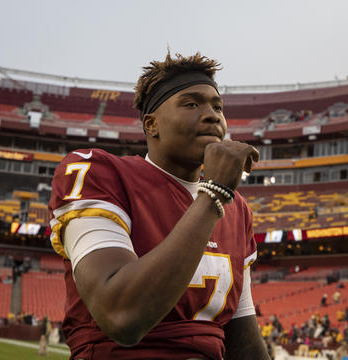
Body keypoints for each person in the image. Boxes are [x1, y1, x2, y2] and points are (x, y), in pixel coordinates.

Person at [48, 52, 267, 360]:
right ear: (152, 125)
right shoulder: (100, 172)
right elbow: (121, 315)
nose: (212, 115)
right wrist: (214, 193)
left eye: (217, 106)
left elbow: (243, 343)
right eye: (191, 104)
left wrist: (217, 196)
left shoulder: (237, 209)